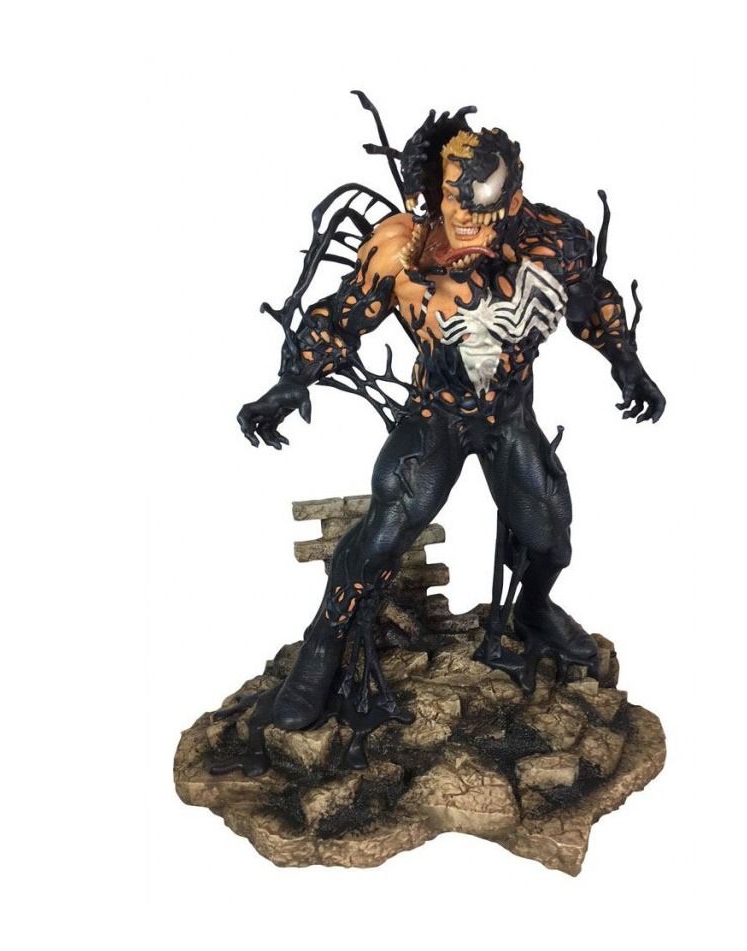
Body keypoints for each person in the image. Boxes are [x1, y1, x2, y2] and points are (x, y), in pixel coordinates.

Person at [238, 113, 665, 730]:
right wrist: (291, 380)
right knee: (388, 528)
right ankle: (324, 642)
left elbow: (592, 298)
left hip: (509, 415)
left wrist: (626, 363)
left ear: (512, 199)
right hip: (434, 413)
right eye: (453, 203)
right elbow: (340, 317)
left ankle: (533, 608)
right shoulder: (400, 250)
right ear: (436, 192)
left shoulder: (551, 242)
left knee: (550, 537)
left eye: (482, 210)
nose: (465, 222)